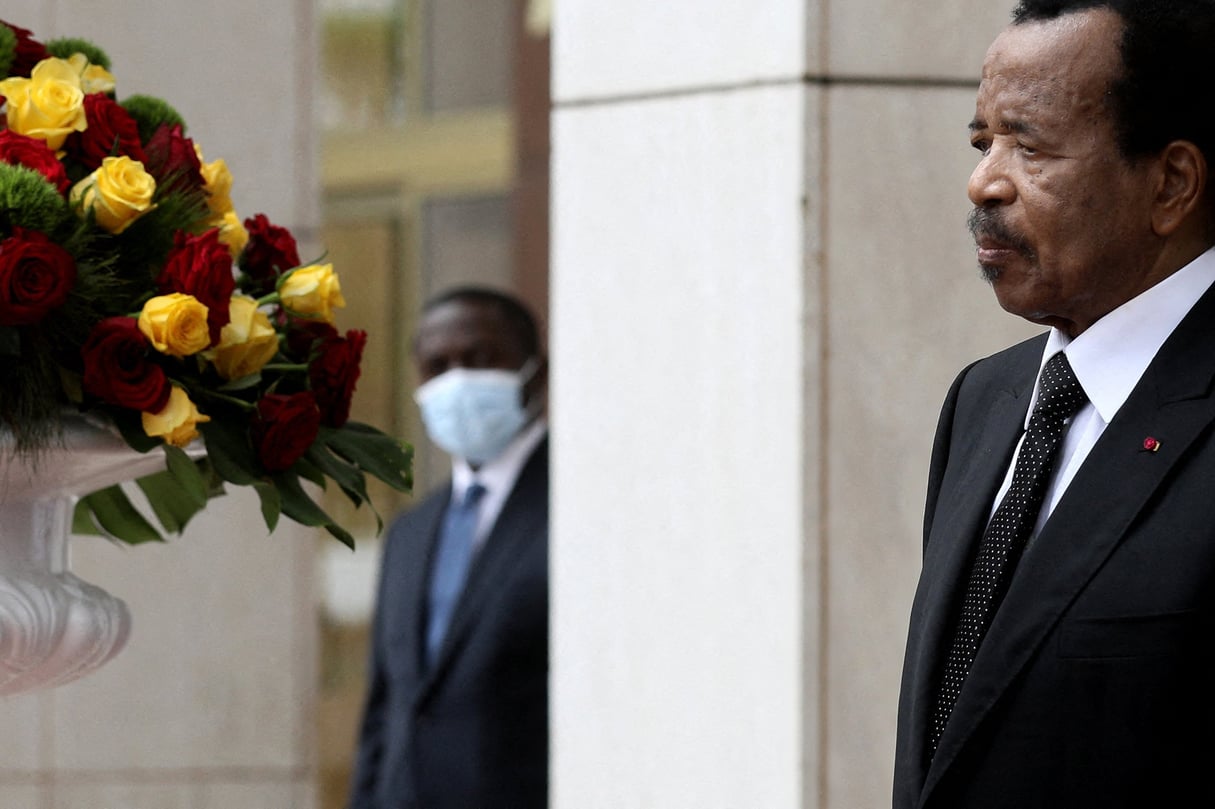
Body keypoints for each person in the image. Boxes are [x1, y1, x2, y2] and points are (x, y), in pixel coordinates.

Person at [894, 1, 1215, 806]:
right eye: (981, 141)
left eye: (1028, 146)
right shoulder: (985, 398)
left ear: (1171, 182)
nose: (982, 181)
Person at [349, 286, 549, 809]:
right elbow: (385, 711)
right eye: (438, 366)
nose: (457, 380)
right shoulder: (411, 533)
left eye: (482, 359)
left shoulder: (578, 510)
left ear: (536, 373)